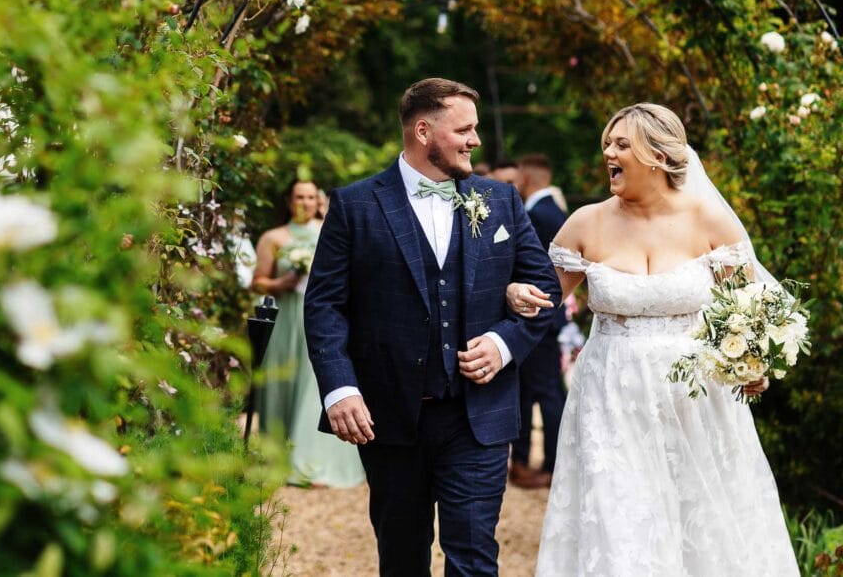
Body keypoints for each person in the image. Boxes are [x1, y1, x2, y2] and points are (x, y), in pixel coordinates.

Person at [507, 103, 798, 575]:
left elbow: (752, 310)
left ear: (658, 156)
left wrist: (754, 362)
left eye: (621, 144)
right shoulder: (586, 222)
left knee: (702, 522)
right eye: (608, 143)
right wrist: (515, 291)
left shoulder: (709, 223)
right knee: (619, 521)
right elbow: (540, 299)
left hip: (696, 400)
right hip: (609, 400)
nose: (609, 152)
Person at [304, 77, 560, 575]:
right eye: (464, 129)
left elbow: (544, 293)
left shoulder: (501, 200)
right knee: (401, 556)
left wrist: (504, 344)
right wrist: (340, 390)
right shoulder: (355, 206)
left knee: (473, 557)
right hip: (390, 415)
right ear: (424, 130)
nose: (476, 141)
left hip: (477, 418)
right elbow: (324, 306)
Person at [252, 179, 364, 488]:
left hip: (323, 321)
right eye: (299, 197)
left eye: (311, 197)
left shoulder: (331, 229)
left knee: (318, 386)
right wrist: (281, 284)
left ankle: (315, 462)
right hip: (288, 317)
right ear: (288, 200)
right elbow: (258, 281)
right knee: (283, 383)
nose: (306, 202)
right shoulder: (273, 237)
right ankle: (277, 456)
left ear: (319, 200)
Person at [508, 153, 569, 489]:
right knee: (536, 389)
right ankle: (526, 461)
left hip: (540, 317)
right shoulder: (554, 211)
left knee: (546, 393)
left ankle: (550, 464)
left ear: (527, 179)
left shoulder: (537, 214)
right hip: (550, 318)